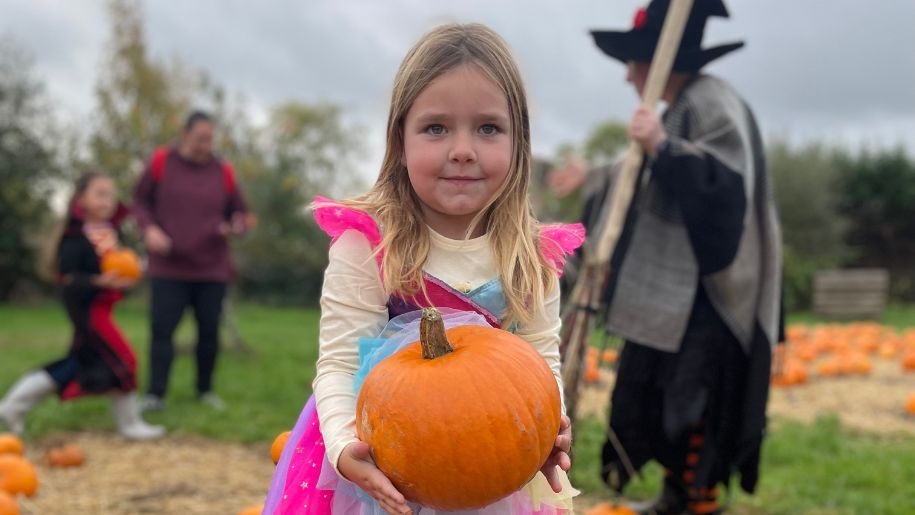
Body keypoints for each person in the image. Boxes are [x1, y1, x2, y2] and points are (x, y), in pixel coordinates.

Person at [263, 23, 585, 515]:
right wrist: (346, 448)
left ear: (519, 142)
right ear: (401, 139)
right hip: (379, 462)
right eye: (436, 128)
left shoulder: (530, 255)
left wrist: (552, 422)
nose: (462, 149)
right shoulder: (371, 243)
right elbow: (341, 362)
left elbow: (542, 358)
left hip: (490, 470)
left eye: (488, 128)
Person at [551, 1, 783, 514]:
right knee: (665, 392)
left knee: (694, 398)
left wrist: (664, 147)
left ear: (659, 63)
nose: (630, 76)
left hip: (712, 291)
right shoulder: (679, 108)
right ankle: (678, 494)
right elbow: (638, 170)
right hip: (681, 296)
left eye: (636, 63)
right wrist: (594, 176)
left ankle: (697, 499)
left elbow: (725, 188)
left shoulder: (711, 102)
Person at [0, 172, 165, 440]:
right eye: (100, 194)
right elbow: (68, 279)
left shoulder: (111, 231)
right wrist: (99, 281)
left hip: (104, 307)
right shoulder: (75, 237)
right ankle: (130, 424)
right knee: (125, 359)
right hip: (88, 311)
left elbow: (119, 263)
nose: (108, 200)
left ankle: (11, 407)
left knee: (75, 364)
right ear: (81, 199)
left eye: (111, 194)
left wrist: (127, 276)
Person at [132, 110, 249, 412]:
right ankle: (155, 394)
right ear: (185, 135)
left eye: (210, 139)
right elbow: (139, 202)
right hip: (168, 266)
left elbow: (240, 212)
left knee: (209, 332)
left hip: (211, 268)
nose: (205, 145)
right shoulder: (161, 163)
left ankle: (205, 391)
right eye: (200, 139)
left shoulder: (222, 171)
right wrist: (150, 230)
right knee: (162, 330)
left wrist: (235, 225)